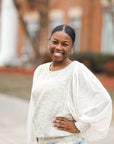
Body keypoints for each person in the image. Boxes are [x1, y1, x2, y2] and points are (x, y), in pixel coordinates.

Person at [27, 24, 112, 144]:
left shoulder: (77, 69)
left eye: (65, 44)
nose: (58, 47)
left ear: (71, 47)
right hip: (42, 140)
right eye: (55, 42)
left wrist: (80, 126)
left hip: (67, 140)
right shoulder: (40, 70)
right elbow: (34, 107)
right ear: (49, 42)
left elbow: (103, 100)